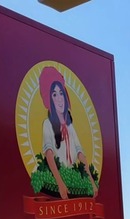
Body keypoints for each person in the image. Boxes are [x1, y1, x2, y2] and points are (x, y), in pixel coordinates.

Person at [39, 66, 98, 199]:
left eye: (61, 93)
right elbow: (49, 153)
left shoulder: (70, 127)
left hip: (72, 179)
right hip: (59, 182)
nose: (59, 98)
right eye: (54, 94)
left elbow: (80, 154)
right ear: (50, 100)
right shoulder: (47, 124)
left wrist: (92, 182)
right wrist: (60, 183)